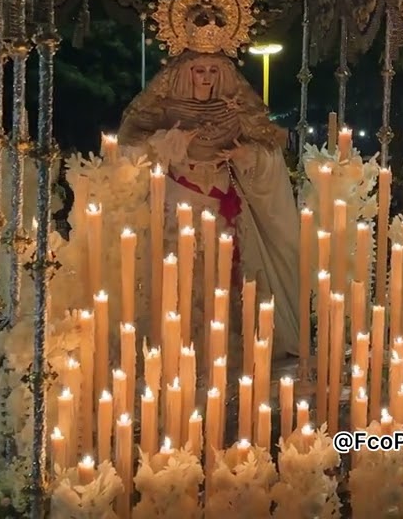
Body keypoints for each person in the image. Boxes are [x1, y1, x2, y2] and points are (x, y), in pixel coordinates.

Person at [118, 50, 300, 356]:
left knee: (229, 273)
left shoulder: (237, 110)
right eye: (199, 70)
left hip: (224, 202)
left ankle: (226, 340)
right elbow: (130, 148)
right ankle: (177, 339)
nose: (205, 78)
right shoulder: (164, 108)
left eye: (213, 71)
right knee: (180, 272)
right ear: (185, 74)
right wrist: (168, 142)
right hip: (178, 201)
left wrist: (245, 156)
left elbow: (267, 150)